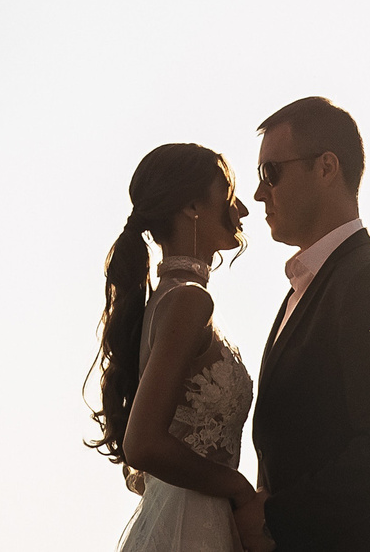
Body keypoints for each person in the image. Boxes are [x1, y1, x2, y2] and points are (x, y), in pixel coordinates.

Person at [246, 97, 370, 552]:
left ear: (326, 167)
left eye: (271, 173)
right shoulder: (306, 287)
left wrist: (275, 522)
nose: (258, 193)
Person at [91, 142, 264, 552]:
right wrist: (238, 487)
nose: (241, 209)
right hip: (192, 529)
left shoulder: (165, 301)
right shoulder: (189, 301)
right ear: (192, 206)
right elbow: (143, 443)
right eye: (228, 194)